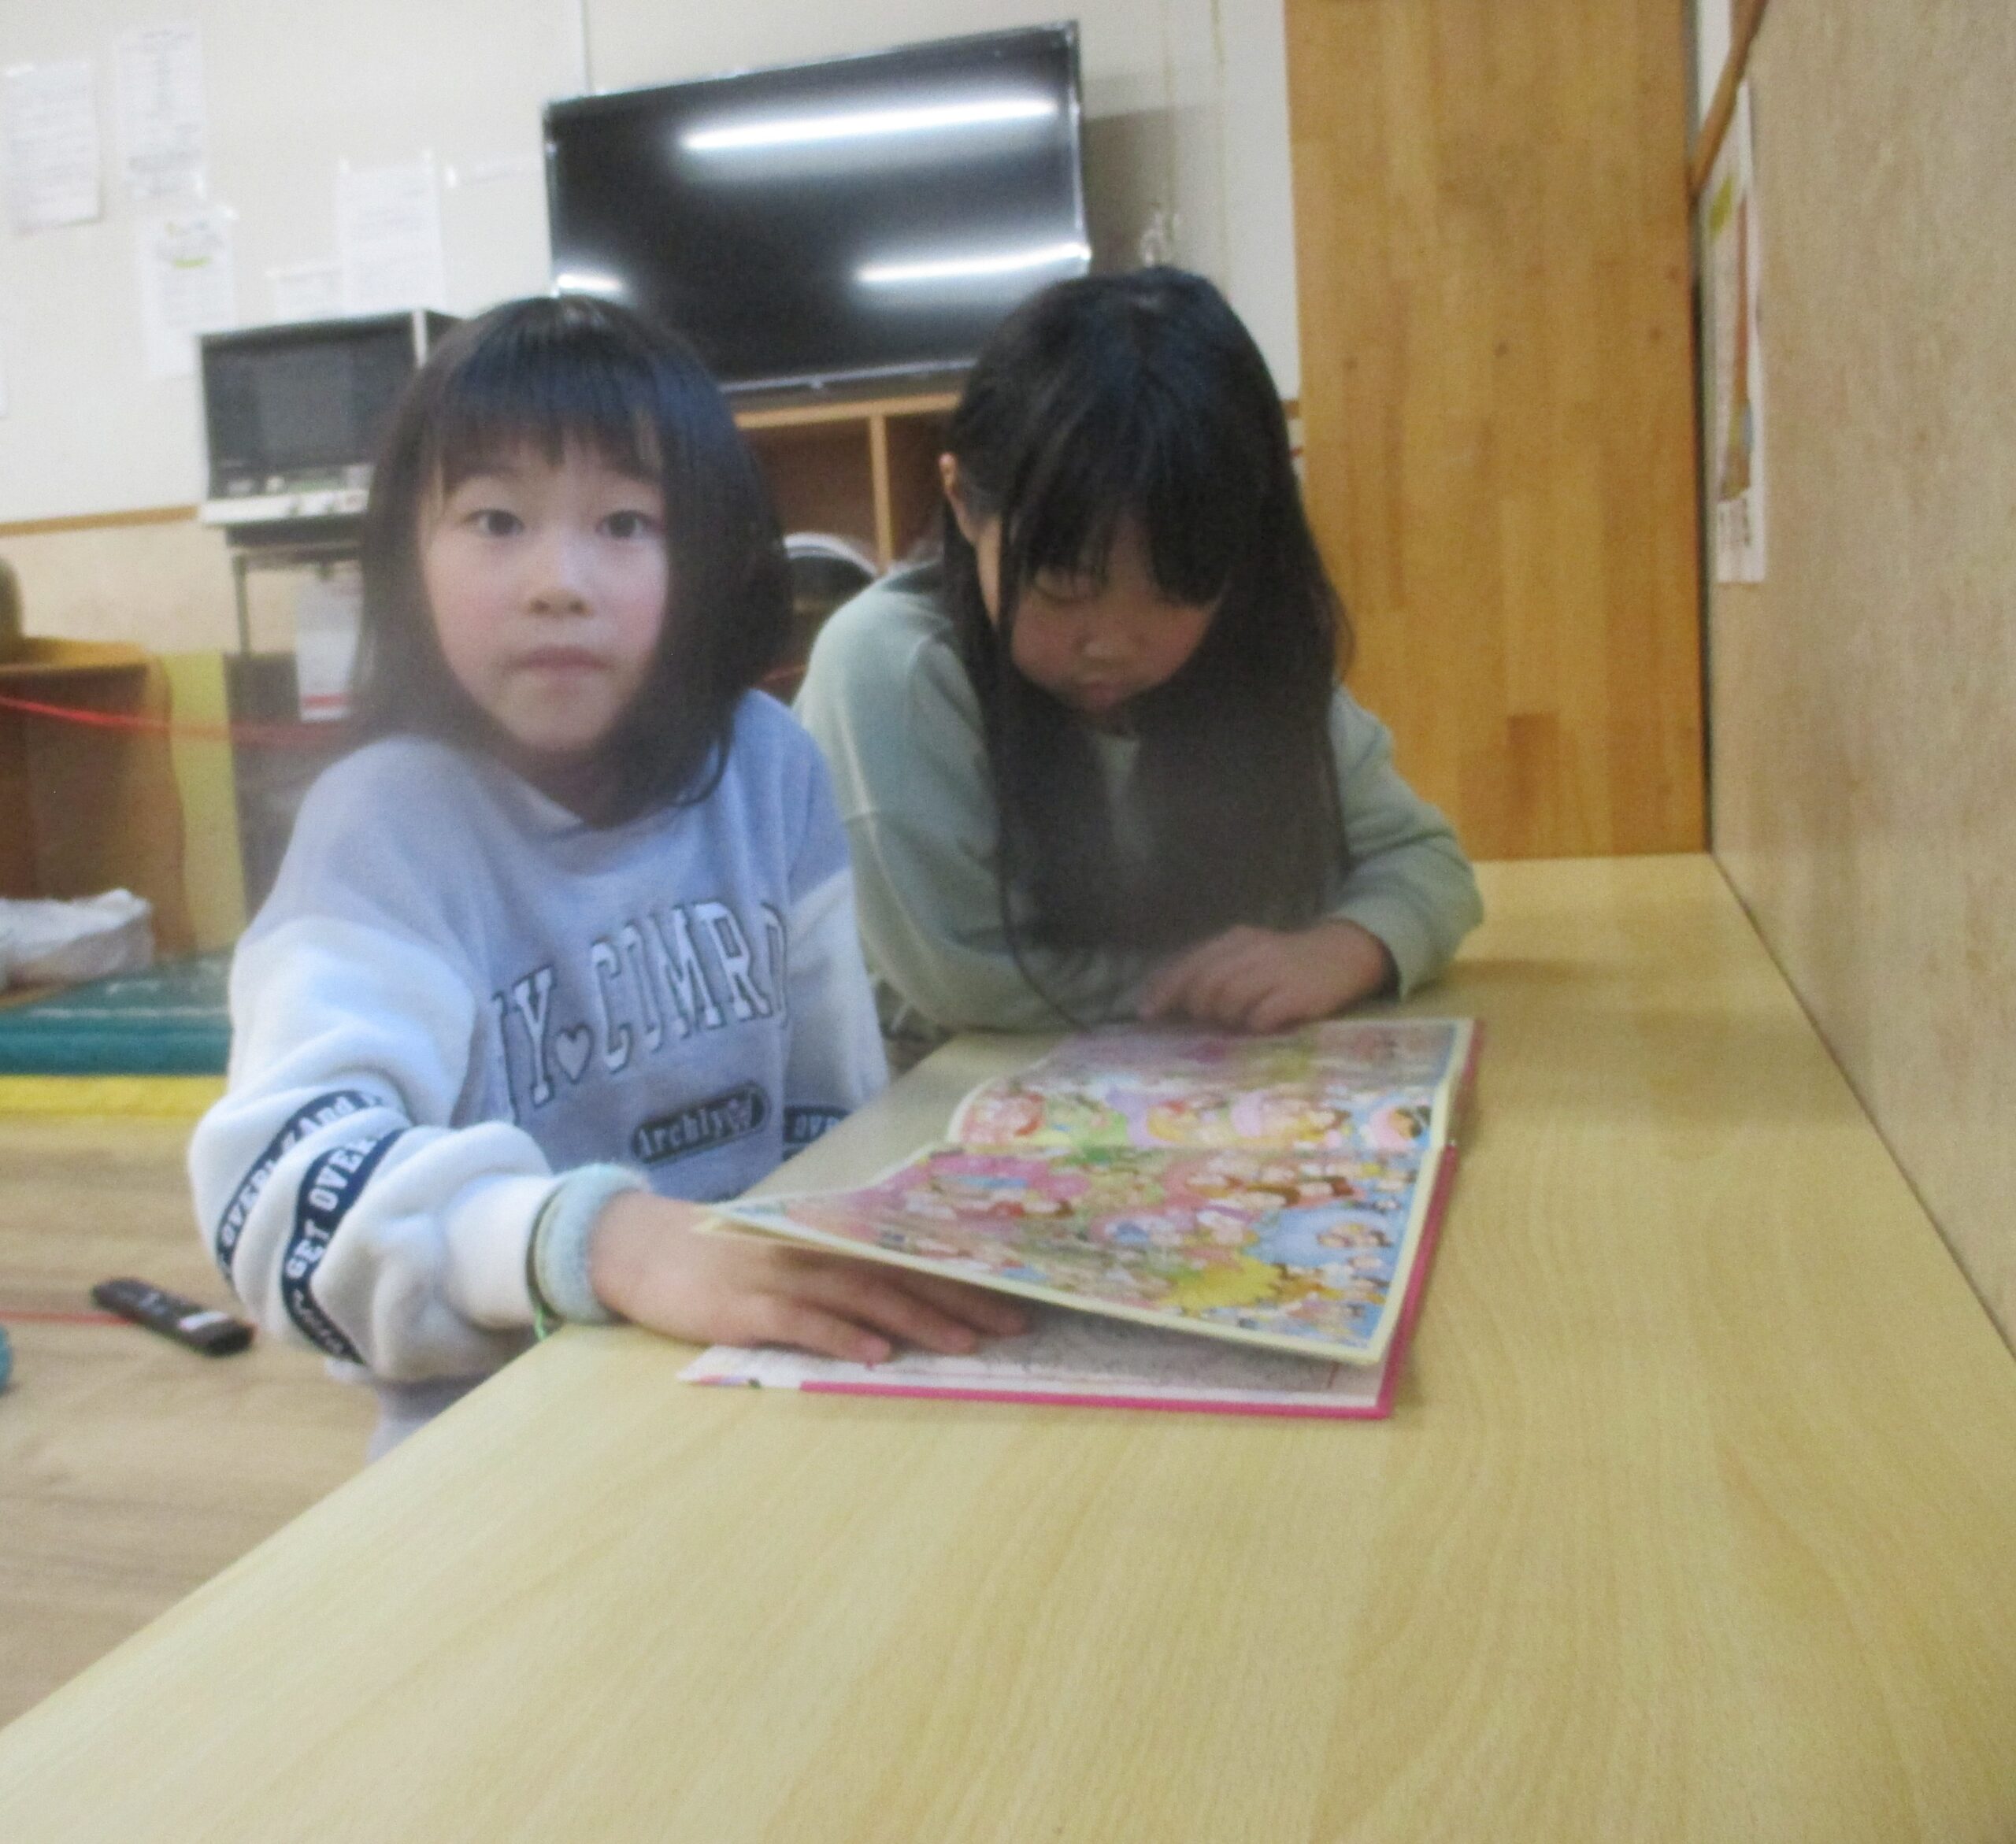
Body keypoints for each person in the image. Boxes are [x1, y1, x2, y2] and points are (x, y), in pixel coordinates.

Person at [188, 297, 1020, 1455]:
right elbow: (280, 1201)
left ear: (707, 556)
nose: (559, 581)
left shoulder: (768, 767)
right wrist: (603, 1240)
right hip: (499, 1448)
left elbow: (833, 1117)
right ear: (407, 560)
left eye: (626, 522)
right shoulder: (381, 828)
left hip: (767, 1395)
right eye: (495, 519)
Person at [795, 268, 1483, 1060]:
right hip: (939, 1089)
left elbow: (1429, 863)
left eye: (1175, 591)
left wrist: (1344, 947)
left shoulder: (1245, 652)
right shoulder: (891, 665)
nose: (1113, 643)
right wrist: (1225, 980)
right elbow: (971, 981)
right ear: (962, 501)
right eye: (1062, 587)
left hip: (1182, 1082)